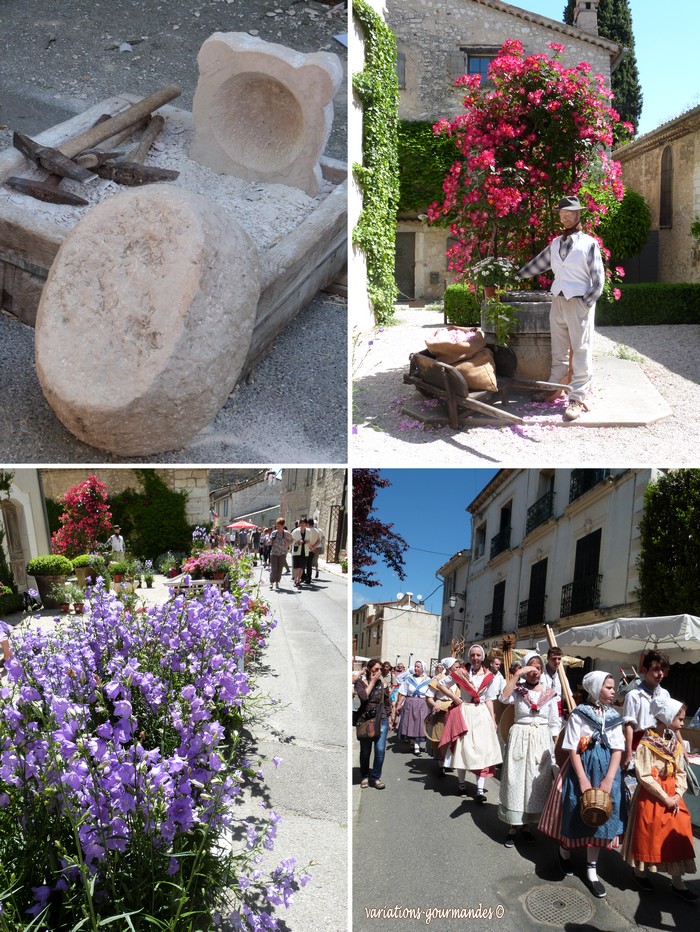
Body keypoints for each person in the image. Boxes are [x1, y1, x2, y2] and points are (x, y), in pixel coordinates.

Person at [514, 195, 604, 421]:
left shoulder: (589, 243)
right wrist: (512, 275)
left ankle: (577, 397)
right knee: (559, 349)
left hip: (578, 303)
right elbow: (537, 265)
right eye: (562, 214)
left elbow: (598, 279)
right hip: (558, 302)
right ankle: (554, 388)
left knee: (581, 350)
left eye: (569, 213)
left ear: (577, 215)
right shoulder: (555, 244)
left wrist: (585, 304)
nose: (564, 217)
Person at [538, 671, 626, 899]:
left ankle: (592, 870)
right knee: (575, 810)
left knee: (601, 816)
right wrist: (583, 779)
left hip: (607, 772)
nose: (613, 691)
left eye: (613, 687)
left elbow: (618, 749)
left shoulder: (614, 716)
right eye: (608, 687)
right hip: (582, 771)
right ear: (596, 689)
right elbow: (572, 748)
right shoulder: (579, 714)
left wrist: (609, 779)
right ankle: (565, 852)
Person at [622, 696, 697, 901]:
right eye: (680, 719)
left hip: (673, 794)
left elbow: (680, 771)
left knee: (679, 830)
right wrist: (665, 796)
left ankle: (677, 881)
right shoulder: (648, 743)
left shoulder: (674, 743)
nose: (683, 723)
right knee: (650, 833)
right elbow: (644, 774)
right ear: (667, 717)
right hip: (653, 794)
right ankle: (640, 872)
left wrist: (678, 793)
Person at [498, 654, 558, 848]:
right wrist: (518, 675)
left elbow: (554, 723)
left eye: (538, 669)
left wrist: (555, 749)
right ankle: (514, 826)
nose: (535, 672)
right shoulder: (518, 690)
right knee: (516, 781)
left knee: (536, 781)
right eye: (531, 668)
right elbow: (502, 697)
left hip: (541, 738)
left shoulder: (549, 693)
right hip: (520, 737)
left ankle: (528, 824)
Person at [434, 644, 502, 802]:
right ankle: (462, 784)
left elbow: (490, 699)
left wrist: (493, 719)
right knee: (463, 749)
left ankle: (479, 790)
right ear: (469, 657)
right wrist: (456, 698)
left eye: (478, 655)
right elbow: (441, 684)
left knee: (482, 750)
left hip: (481, 713)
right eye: (473, 655)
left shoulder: (489, 676)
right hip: (465, 711)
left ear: (483, 657)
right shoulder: (461, 673)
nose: (476, 658)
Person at [621, 650, 671, 771]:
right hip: (639, 748)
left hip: (660, 748)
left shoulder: (665, 694)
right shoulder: (634, 695)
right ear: (644, 670)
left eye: (662, 670)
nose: (660, 674)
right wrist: (628, 753)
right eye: (656, 669)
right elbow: (629, 725)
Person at [355, 657, 390, 790]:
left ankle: (375, 777)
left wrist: (389, 718)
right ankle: (364, 776)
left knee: (380, 750)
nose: (379, 672)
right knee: (365, 750)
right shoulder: (361, 683)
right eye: (376, 669)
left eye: (381, 669)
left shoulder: (383, 685)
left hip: (381, 720)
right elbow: (364, 697)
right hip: (365, 720)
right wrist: (373, 681)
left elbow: (386, 703)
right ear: (370, 670)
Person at [396, 660, 432, 756]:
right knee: (410, 724)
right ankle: (412, 743)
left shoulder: (428, 680)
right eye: (415, 666)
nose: (416, 668)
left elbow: (431, 694)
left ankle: (417, 747)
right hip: (410, 703)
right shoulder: (409, 679)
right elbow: (403, 693)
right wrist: (399, 704)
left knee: (420, 724)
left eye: (418, 667)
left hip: (422, 704)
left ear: (423, 668)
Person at [541, 646, 565, 740]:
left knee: (556, 741)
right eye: (554, 659)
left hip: (558, 715)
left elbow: (568, 695)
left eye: (559, 659)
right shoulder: (541, 674)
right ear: (547, 658)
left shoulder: (561, 675)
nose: (557, 662)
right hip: (544, 713)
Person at [268, 518, 292, 590]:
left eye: (279, 525)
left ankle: (277, 582)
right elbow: (270, 540)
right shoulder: (274, 533)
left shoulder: (286, 533)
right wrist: (270, 541)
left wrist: (288, 544)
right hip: (274, 553)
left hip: (282, 554)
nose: (277, 527)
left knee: (280, 569)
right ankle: (271, 582)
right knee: (274, 569)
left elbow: (292, 540)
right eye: (277, 525)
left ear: (282, 525)